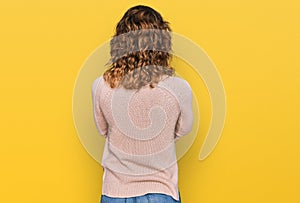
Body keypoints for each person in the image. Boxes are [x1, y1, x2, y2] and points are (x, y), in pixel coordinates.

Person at [92, 5, 194, 203]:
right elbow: (184, 129)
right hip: (161, 192)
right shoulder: (179, 87)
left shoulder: (101, 86)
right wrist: (157, 136)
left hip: (115, 193)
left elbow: (103, 130)